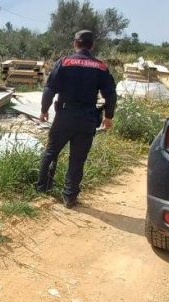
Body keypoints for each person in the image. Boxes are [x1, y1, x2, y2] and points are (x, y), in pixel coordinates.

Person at [36, 30, 117, 208]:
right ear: (92, 45)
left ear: (75, 43)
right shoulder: (101, 67)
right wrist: (109, 116)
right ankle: (69, 197)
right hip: (88, 118)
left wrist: (44, 110)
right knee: (77, 159)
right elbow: (110, 93)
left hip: (65, 115)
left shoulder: (64, 62)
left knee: (51, 151)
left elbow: (50, 88)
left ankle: (42, 188)